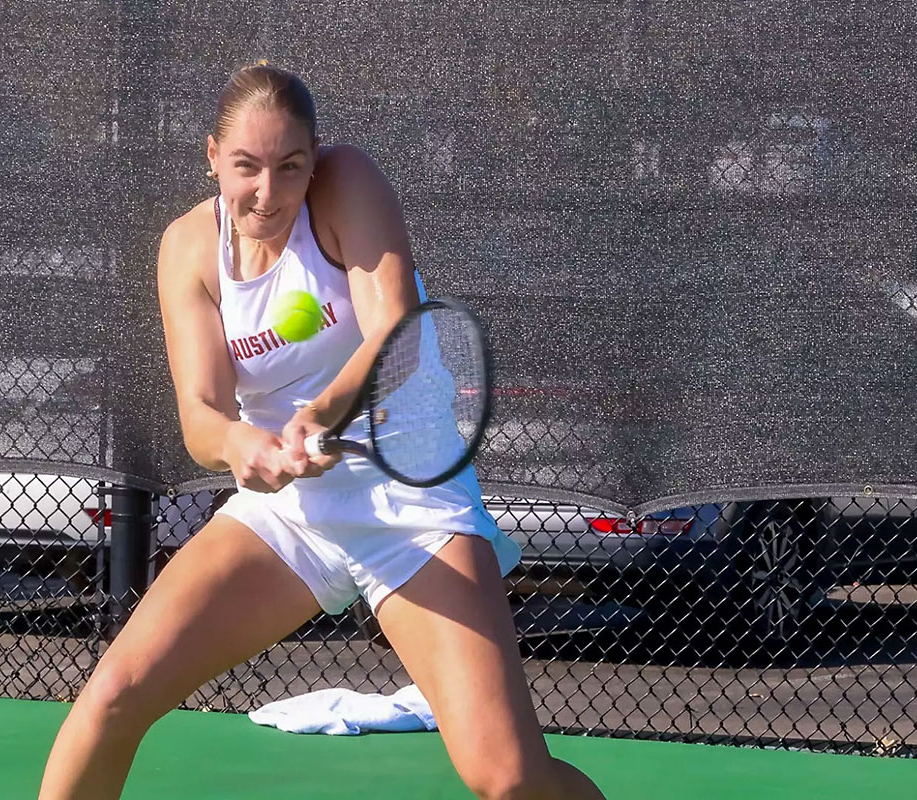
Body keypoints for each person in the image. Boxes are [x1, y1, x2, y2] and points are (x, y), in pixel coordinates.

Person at [39, 62, 607, 800]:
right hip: (286, 516)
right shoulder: (187, 248)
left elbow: (397, 333)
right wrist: (240, 445)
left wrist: (319, 415)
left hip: (412, 508)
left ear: (315, 158)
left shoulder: (347, 184)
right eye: (246, 166)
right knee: (113, 697)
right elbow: (201, 415)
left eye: (290, 166)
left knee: (508, 777)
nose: (267, 191)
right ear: (212, 156)